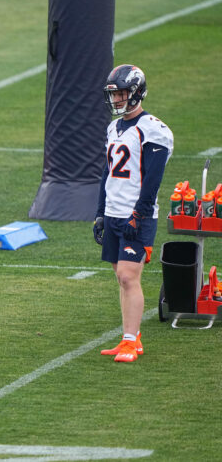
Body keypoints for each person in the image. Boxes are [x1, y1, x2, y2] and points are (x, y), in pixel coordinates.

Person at [93, 64, 173, 363]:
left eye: (122, 93)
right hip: (114, 211)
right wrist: (100, 212)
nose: (117, 100)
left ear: (137, 92)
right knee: (120, 276)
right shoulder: (114, 128)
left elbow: (152, 180)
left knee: (129, 275)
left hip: (136, 214)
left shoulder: (153, 129)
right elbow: (107, 173)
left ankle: (129, 341)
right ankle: (132, 337)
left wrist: (138, 214)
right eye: (114, 95)